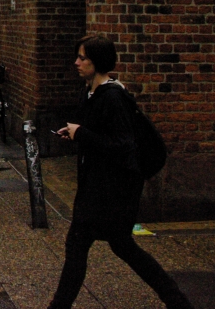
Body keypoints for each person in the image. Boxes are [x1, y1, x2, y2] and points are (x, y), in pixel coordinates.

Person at [48, 36, 194, 309]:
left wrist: (83, 134)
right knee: (102, 246)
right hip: (97, 188)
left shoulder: (113, 97)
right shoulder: (90, 92)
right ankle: (177, 301)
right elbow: (98, 134)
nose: (76, 62)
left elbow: (122, 146)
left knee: (103, 246)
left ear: (97, 62)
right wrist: (75, 133)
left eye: (82, 58)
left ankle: (177, 301)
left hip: (112, 191)